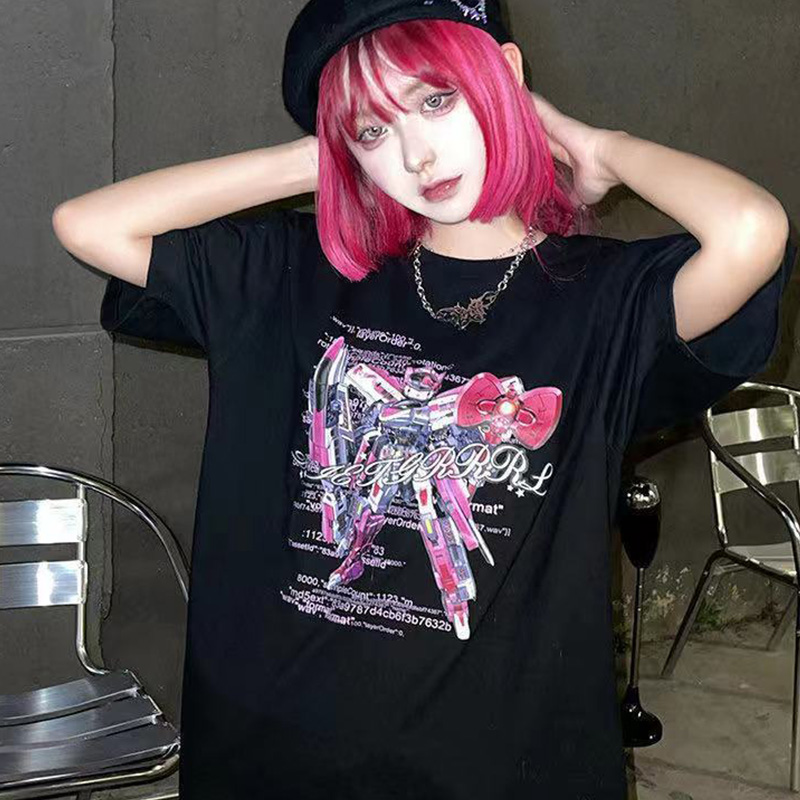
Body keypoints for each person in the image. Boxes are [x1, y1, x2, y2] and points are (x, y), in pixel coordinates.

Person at [51, 0, 796, 797]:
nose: (416, 154)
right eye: (374, 129)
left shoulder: (603, 299)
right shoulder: (289, 276)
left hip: (497, 766)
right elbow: (88, 225)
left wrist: (594, 147)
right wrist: (321, 159)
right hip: (273, 753)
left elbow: (750, 230)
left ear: (505, 74)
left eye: (437, 99)